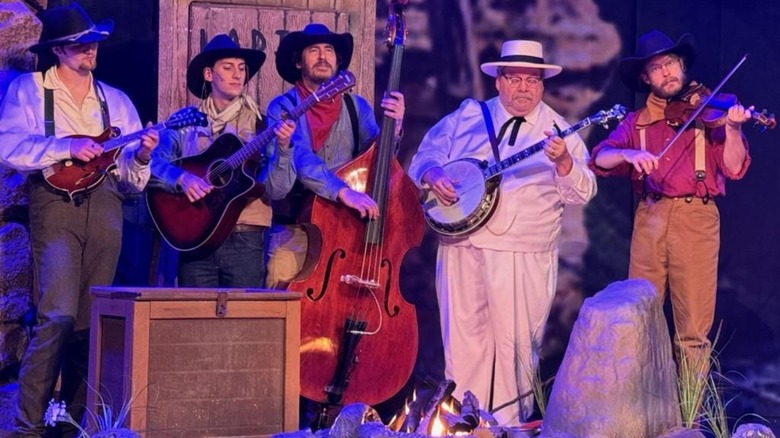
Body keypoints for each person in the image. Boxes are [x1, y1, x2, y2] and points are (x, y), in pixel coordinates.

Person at [407, 40, 597, 425]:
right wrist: (433, 173)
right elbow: (425, 156)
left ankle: (509, 427)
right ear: (499, 82)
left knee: (514, 347)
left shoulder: (560, 130)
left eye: (532, 80)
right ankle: (462, 423)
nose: (523, 88)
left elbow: (583, 189)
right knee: (462, 340)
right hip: (461, 242)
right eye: (514, 79)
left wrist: (562, 162)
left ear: (542, 85)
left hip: (522, 250)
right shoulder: (467, 115)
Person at [0, 3, 159, 435]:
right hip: (53, 203)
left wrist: (142, 156)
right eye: (79, 44)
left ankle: (71, 421)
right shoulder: (29, 90)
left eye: (93, 43)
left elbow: (129, 181)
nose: (90, 50)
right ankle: (26, 425)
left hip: (106, 205)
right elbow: (10, 147)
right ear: (57, 49)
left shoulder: (116, 101)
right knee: (56, 315)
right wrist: (66, 147)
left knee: (92, 321)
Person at [588, 30, 751, 367]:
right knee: (639, 318)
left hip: (696, 219)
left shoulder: (709, 112)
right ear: (646, 78)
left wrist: (733, 129)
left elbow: (735, 168)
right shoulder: (637, 123)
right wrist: (629, 153)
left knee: (692, 328)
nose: (667, 72)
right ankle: (640, 413)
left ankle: (689, 415)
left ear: (682, 65)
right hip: (650, 215)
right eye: (657, 68)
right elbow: (600, 157)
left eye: (671, 63)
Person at [264, 23, 405, 288]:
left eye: (329, 49)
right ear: (298, 62)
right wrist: (344, 191)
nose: (322, 56)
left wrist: (394, 128)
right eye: (313, 50)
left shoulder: (357, 106)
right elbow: (301, 158)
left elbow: (378, 159)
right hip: (294, 231)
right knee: (281, 309)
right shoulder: (283, 106)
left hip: (344, 229)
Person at [150, 34, 296, 288]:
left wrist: (284, 149)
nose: (237, 75)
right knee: (194, 318)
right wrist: (181, 178)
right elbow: (151, 164)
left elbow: (278, 190)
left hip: (245, 237)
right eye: (228, 68)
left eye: (241, 69)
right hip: (194, 233)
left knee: (241, 321)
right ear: (209, 74)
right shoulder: (186, 122)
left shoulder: (262, 126)